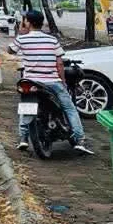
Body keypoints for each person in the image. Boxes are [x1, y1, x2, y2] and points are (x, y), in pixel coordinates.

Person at [12, 9, 92, 154]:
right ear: (42, 22)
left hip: (30, 82)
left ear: (27, 22)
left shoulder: (22, 39)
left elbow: (10, 50)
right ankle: (80, 139)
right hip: (52, 81)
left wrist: (20, 32)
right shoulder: (52, 40)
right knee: (69, 108)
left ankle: (23, 138)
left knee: (26, 105)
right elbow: (59, 63)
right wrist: (63, 81)